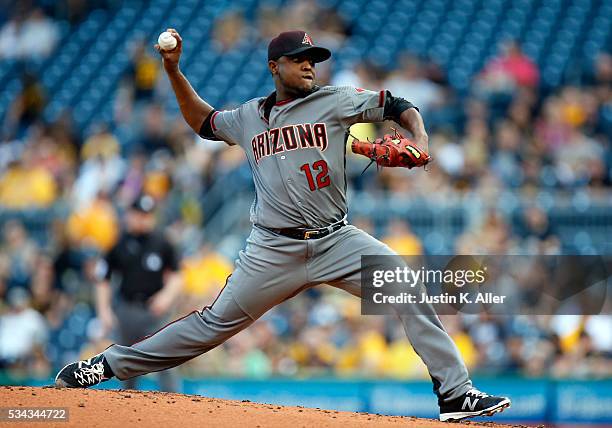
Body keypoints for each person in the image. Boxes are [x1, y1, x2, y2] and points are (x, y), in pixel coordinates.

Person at [56, 29, 510, 422]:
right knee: (210, 326)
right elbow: (202, 122)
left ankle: (454, 393)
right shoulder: (249, 116)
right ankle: (108, 365)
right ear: (275, 67)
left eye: (315, 59)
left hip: (337, 239)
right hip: (272, 250)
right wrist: (173, 70)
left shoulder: (335, 100)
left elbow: (399, 104)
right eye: (301, 59)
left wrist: (420, 137)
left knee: (403, 284)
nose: (311, 66)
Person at [92, 194, 183, 391]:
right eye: (139, 214)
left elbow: (177, 275)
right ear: (129, 215)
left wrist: (166, 296)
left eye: (147, 215)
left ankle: (175, 409)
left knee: (165, 359)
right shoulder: (118, 243)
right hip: (127, 310)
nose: (143, 219)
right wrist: (104, 311)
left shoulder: (162, 242)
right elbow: (103, 279)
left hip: (154, 312)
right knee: (126, 364)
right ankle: (127, 409)